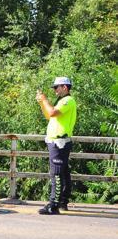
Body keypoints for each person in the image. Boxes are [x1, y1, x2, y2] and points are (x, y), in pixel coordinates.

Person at [36, 76, 77, 215]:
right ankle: (62, 202)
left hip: (59, 142)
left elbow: (52, 111)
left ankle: (53, 205)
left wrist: (44, 100)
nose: (55, 90)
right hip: (57, 142)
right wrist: (42, 103)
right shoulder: (61, 101)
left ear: (65, 87)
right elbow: (49, 115)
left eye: (56, 87)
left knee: (57, 174)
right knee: (63, 172)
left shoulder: (67, 100)